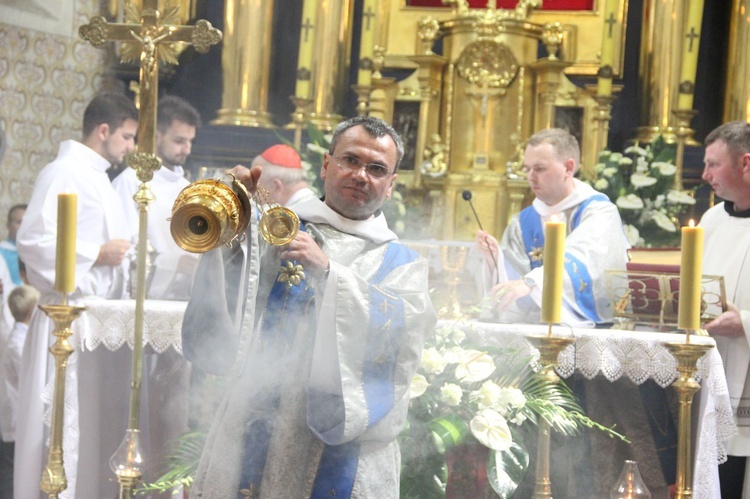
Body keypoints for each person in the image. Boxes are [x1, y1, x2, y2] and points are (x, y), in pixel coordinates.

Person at [182, 116, 436, 498]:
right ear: (326, 165)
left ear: (391, 184)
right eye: (350, 160)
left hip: (344, 446)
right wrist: (234, 213)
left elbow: (403, 343)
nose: (361, 175)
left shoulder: (402, 264)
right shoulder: (280, 227)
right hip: (257, 418)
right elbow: (233, 294)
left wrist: (330, 274)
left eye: (376, 168)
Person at [14, 91, 136, 498]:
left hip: (94, 324)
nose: (132, 147)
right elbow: (32, 240)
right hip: (62, 322)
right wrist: (98, 254)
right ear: (104, 131)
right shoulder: (63, 171)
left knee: (85, 435)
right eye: (128, 136)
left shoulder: (97, 177)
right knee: (55, 432)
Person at [474, 128, 629, 325]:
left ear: (568, 168)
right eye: (527, 168)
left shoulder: (599, 212)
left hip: (588, 332)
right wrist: (495, 261)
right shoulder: (522, 223)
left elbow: (587, 260)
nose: (530, 176)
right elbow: (513, 291)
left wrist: (532, 282)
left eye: (539, 169)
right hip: (531, 331)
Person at [699, 120, 750, 498]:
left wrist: (745, 323)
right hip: (712, 374)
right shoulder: (711, 221)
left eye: (713, 164)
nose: (705, 175)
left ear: (745, 164)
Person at [113, 94, 201, 300]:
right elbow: (125, 246)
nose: (187, 149)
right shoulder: (131, 181)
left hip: (183, 298)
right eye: (179, 141)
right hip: (143, 297)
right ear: (157, 136)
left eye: (190, 141)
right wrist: (172, 265)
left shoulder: (188, 188)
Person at [0, 285, 40, 499]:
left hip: (17, 417)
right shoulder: (17, 343)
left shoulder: (20, 339)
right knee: (9, 472)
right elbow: (29, 376)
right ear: (33, 312)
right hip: (15, 419)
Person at [253, 144, 318, 208]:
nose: (254, 196)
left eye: (258, 191)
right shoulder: (318, 204)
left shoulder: (295, 216)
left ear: (276, 186)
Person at [0, 204, 26, 286]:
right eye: (20, 222)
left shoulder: (40, 253)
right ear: (8, 226)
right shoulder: (2, 252)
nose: (25, 226)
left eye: (28, 222)